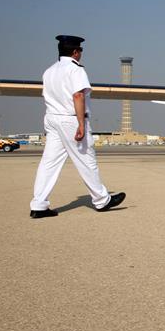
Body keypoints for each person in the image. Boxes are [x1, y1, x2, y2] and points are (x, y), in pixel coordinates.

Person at [29, 35, 125, 218]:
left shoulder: (49, 71)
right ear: (75, 52)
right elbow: (78, 96)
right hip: (70, 119)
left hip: (52, 118)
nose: (81, 54)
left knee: (48, 163)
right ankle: (101, 200)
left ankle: (39, 205)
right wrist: (81, 124)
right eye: (80, 51)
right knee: (86, 161)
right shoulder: (76, 70)